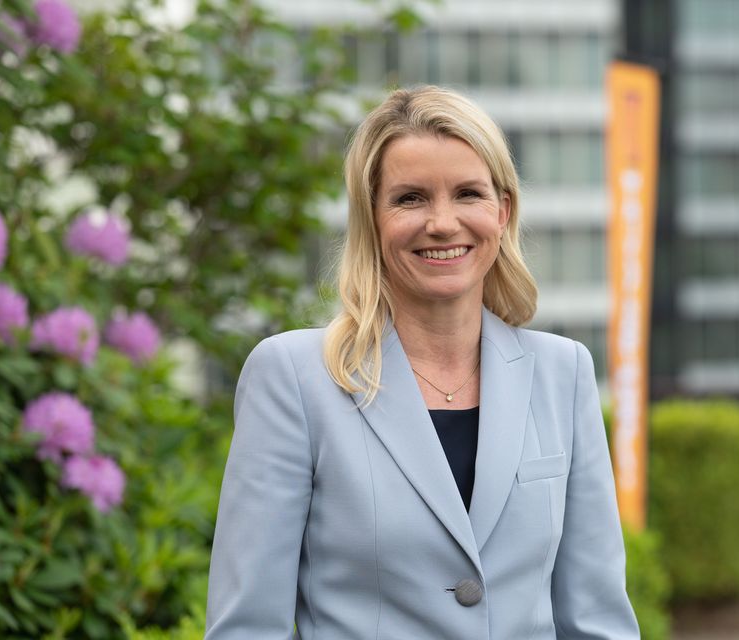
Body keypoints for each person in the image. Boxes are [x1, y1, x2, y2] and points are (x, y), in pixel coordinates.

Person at [205, 85, 641, 639]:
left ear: (502, 211)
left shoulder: (564, 373)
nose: (442, 223)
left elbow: (598, 621)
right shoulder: (292, 377)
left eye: (468, 194)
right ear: (371, 217)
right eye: (410, 198)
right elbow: (247, 628)